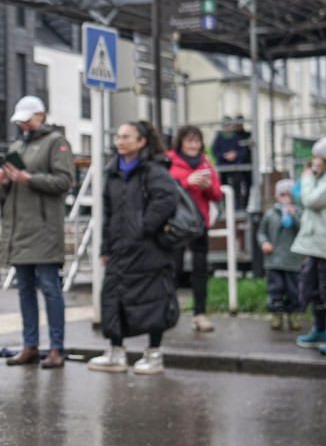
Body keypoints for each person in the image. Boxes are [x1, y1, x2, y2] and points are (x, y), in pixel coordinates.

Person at [88, 121, 179, 375]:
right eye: (118, 136)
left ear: (141, 142)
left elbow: (167, 197)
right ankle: (116, 353)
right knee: (113, 297)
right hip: (119, 248)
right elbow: (108, 212)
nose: (120, 141)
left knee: (152, 299)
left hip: (149, 248)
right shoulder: (113, 171)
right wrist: (105, 247)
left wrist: (143, 227)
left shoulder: (153, 169)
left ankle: (154, 355)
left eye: (127, 137)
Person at [0, 95, 74, 369]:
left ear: (41, 115)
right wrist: (4, 182)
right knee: (24, 290)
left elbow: (65, 181)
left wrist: (29, 178)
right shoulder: (17, 145)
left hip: (44, 229)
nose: (24, 125)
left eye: (28, 119)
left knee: (51, 289)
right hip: (20, 230)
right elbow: (14, 189)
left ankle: (56, 349)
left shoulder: (56, 142)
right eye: (21, 121)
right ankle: (30, 346)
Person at [291, 136, 326, 356]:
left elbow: (310, 200)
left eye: (317, 157)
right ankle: (320, 329)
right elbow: (303, 199)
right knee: (313, 289)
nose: (314, 161)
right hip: (316, 244)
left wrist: (308, 178)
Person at [167, 125, 222, 332]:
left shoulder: (206, 163)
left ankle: (200, 314)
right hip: (176, 224)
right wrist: (185, 182)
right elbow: (163, 188)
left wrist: (208, 187)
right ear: (180, 142)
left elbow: (217, 195)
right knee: (174, 268)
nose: (193, 145)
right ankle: (169, 312)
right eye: (189, 140)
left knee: (200, 270)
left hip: (199, 224)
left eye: (196, 141)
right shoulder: (169, 160)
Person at [256, 179, 304, 331]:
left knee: (293, 289)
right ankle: (276, 314)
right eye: (282, 194)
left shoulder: (299, 212)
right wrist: (264, 242)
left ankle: (293, 314)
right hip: (274, 260)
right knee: (275, 288)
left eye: (289, 194)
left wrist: (294, 216)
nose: (286, 198)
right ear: (277, 195)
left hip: (293, 260)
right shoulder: (270, 214)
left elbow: (304, 230)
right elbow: (261, 232)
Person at [212, 116, 249, 210]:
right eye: (225, 125)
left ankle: (237, 208)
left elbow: (242, 150)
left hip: (235, 167)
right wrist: (225, 156)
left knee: (236, 189)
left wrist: (235, 154)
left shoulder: (236, 137)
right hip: (223, 167)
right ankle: (225, 208)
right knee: (223, 188)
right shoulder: (219, 138)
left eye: (229, 125)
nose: (227, 128)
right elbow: (215, 151)